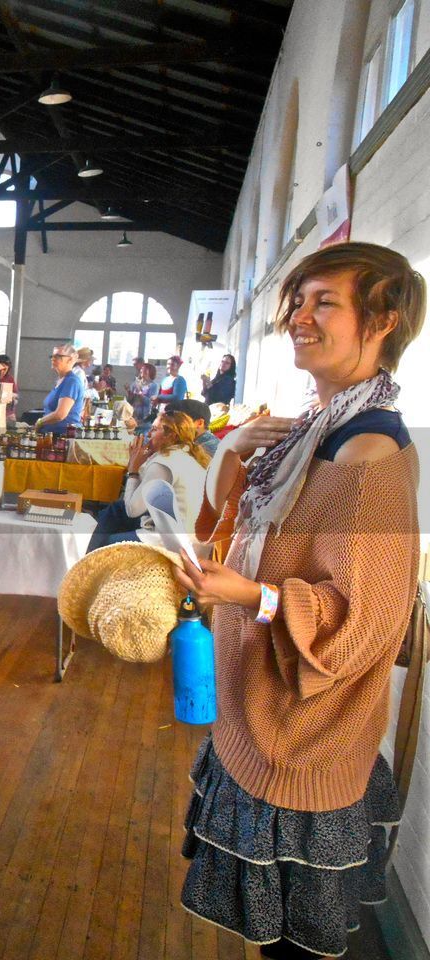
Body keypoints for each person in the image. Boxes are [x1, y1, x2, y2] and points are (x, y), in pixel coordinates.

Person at [173, 242, 424, 959]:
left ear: (382, 320)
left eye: (326, 303)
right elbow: (239, 529)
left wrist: (252, 596)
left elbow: (362, 626)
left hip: (299, 743)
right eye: (298, 301)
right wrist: (232, 449)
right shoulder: (318, 429)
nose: (299, 318)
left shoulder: (367, 458)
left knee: (292, 947)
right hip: (259, 721)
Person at [86, 410, 211, 551]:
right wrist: (140, 464)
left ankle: (90, 556)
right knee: (116, 509)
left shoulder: (164, 462)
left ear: (171, 435)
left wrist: (133, 471)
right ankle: (88, 554)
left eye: (154, 429)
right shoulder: (188, 455)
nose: (148, 434)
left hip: (173, 541)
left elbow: (132, 510)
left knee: (108, 542)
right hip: (192, 536)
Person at [35, 343, 85, 435]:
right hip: (51, 435)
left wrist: (40, 422)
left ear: (70, 359)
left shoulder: (71, 382)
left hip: (63, 438)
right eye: (52, 356)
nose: (53, 359)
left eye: (58, 356)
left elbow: (60, 414)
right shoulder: (61, 381)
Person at [127, 362, 159, 426]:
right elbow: (130, 401)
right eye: (142, 368)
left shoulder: (153, 385)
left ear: (150, 371)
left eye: (145, 369)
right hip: (133, 415)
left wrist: (141, 395)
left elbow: (150, 402)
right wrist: (129, 392)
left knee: (142, 435)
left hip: (145, 418)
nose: (142, 370)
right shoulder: (135, 383)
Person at [0, 353, 18, 421]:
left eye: (4, 369)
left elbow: (16, 395)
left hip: (7, 413)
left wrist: (10, 396)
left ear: (8, 368)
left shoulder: (10, 379)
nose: (1, 372)